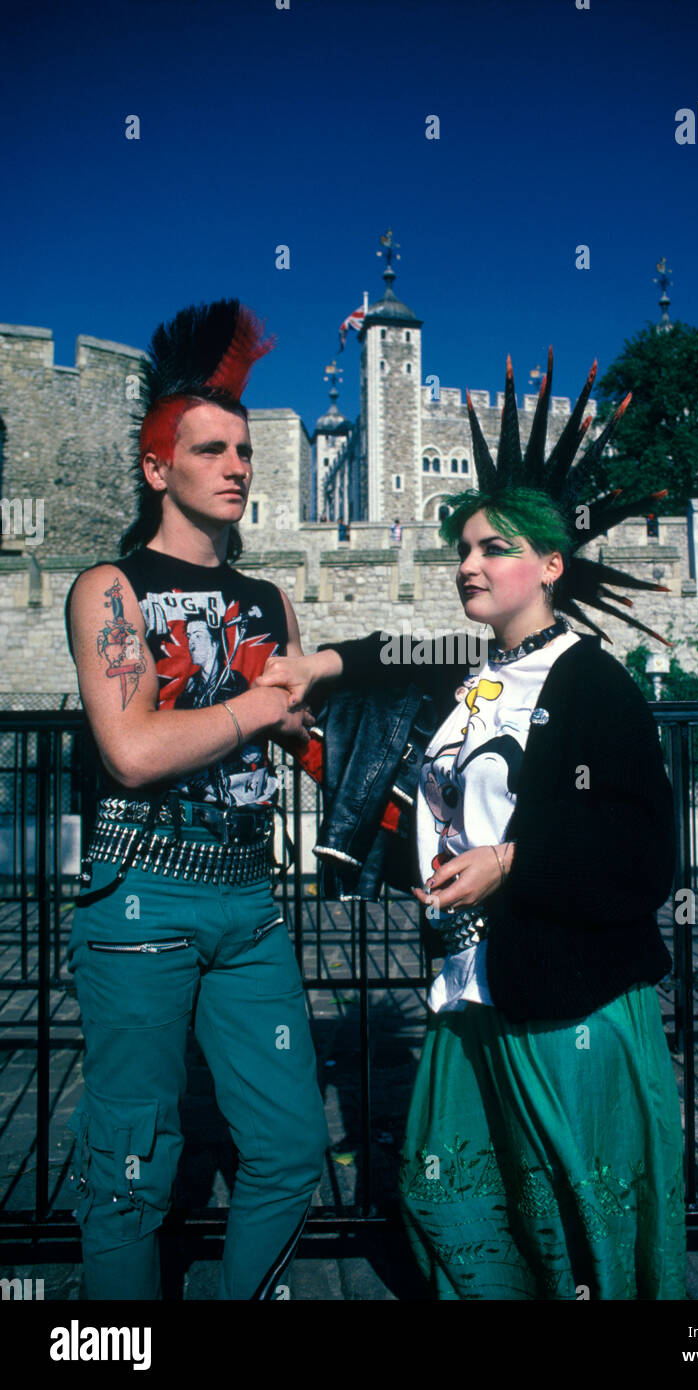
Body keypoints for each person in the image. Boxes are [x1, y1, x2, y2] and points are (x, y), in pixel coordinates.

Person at [257, 349, 686, 1300]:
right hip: (466, 983)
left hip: (563, 991)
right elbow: (392, 652)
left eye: (493, 549)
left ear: (548, 566)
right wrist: (314, 668)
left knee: (580, 1205)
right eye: (461, 550)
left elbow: (643, 847)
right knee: (451, 1190)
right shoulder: (470, 672)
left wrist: (512, 862)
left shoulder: (590, 681)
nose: (468, 565)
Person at [64, 300, 328, 1301]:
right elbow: (130, 749)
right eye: (209, 449)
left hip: (248, 903)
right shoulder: (110, 590)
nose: (235, 467)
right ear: (156, 467)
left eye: (245, 451)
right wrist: (263, 703)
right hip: (141, 897)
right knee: (131, 1171)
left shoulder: (270, 602)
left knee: (293, 1146)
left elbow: (300, 745)